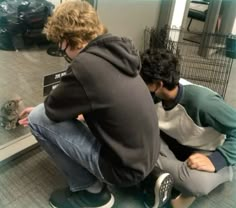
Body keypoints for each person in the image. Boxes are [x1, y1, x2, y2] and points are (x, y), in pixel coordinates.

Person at [18, 1, 174, 208]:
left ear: (67, 39)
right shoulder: (119, 51)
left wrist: (44, 108)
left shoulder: (86, 65)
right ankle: (147, 178)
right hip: (147, 154)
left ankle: (92, 193)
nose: (59, 48)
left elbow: (53, 111)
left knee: (38, 118)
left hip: (124, 168)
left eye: (59, 42)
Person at [140, 48, 236, 208]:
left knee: (198, 184)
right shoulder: (152, 95)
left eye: (142, 81)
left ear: (158, 84)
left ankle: (158, 174)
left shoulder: (203, 102)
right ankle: (173, 185)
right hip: (177, 143)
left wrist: (217, 160)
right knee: (138, 137)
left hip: (207, 150)